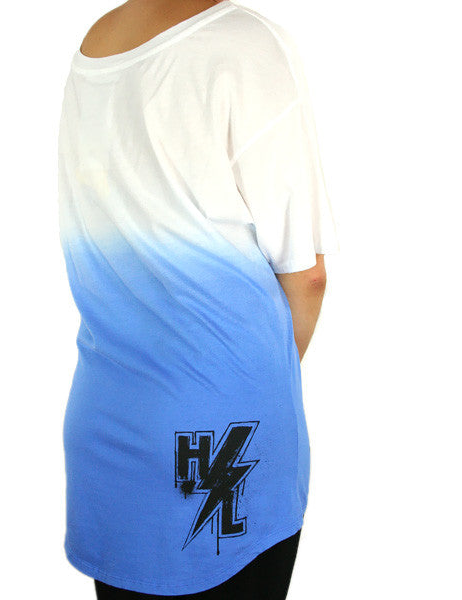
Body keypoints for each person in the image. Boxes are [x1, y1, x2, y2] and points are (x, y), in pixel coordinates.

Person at [56, 0, 340, 598]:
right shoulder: (245, 41)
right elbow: (306, 275)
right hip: (223, 436)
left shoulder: (99, 40)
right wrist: (251, 384)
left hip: (107, 423)